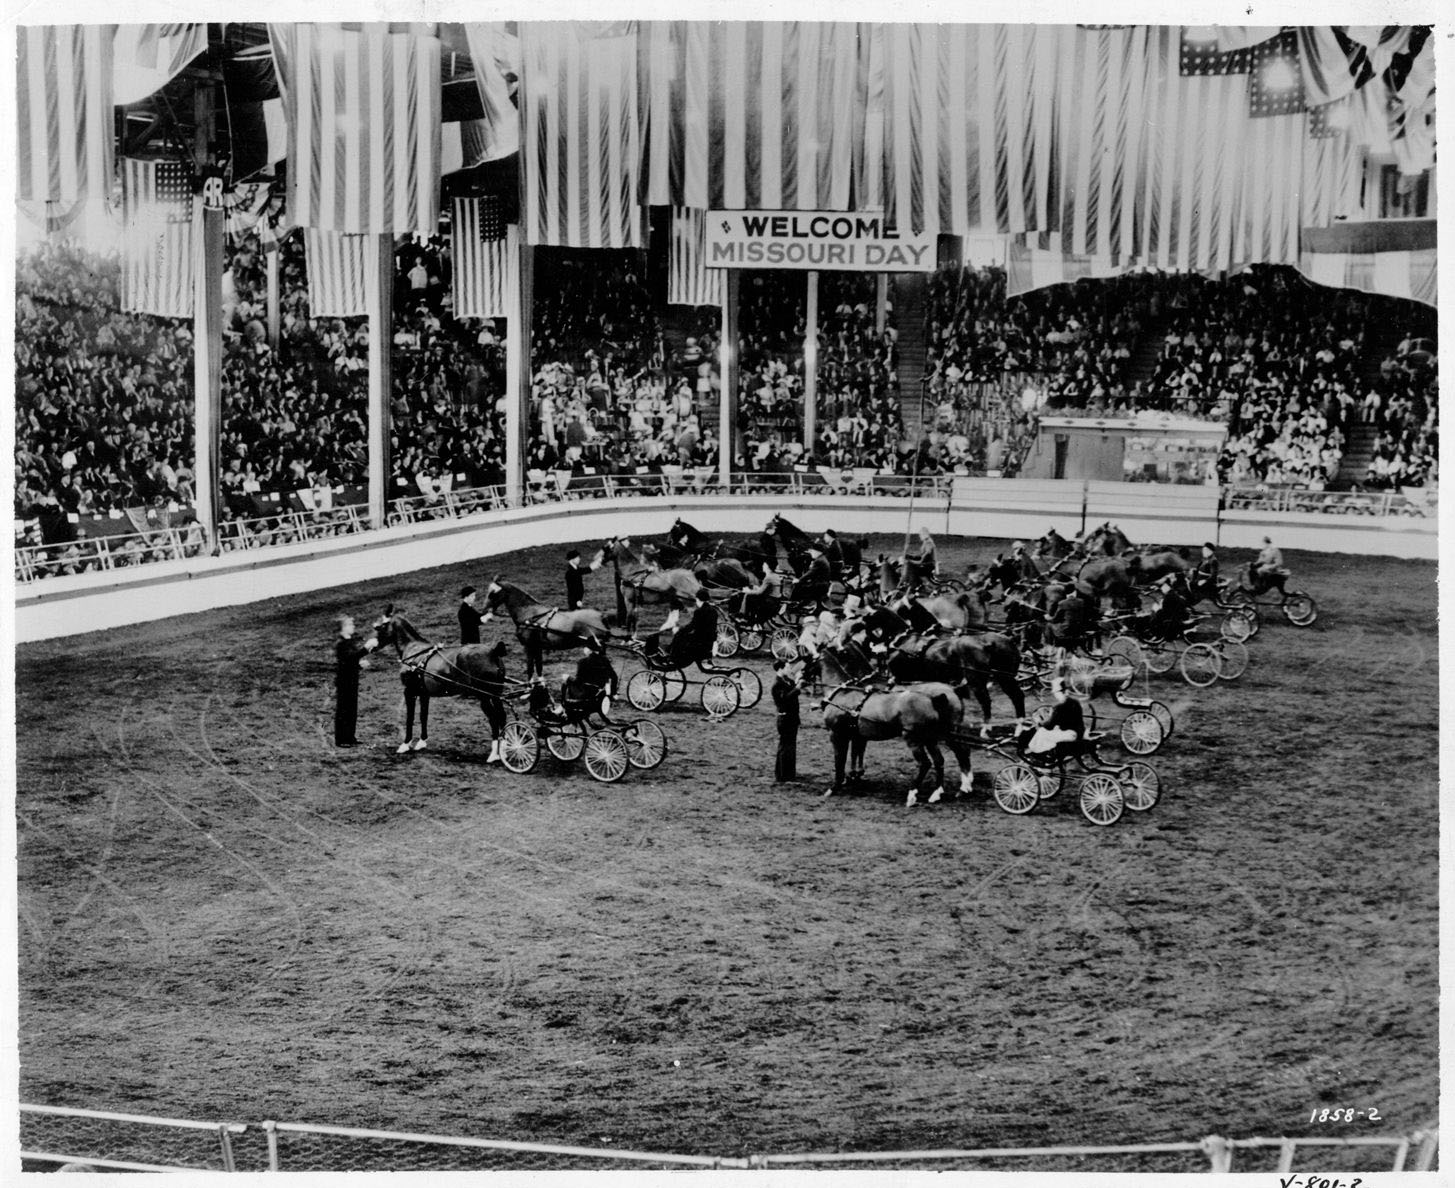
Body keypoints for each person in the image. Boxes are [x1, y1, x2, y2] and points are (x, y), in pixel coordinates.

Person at [334, 615, 377, 747]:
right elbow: (349, 658)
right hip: (344, 680)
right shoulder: (341, 644)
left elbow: (351, 660)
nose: (353, 627)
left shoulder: (348, 642)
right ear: (343, 628)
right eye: (350, 625)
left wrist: (359, 665)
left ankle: (349, 737)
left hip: (351, 678)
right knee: (344, 709)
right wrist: (366, 648)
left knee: (351, 708)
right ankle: (342, 739)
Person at [1022, 675, 1085, 758]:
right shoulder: (1074, 702)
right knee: (1046, 733)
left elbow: (1049, 726)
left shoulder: (1061, 706)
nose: (1055, 694)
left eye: (1055, 692)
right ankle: (1038, 751)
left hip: (1070, 735)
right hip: (1077, 732)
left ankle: (1034, 752)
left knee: (1042, 732)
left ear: (1062, 692)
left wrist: (1040, 723)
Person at [771, 659, 803, 782]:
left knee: (790, 747)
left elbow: (792, 687)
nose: (790, 669)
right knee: (785, 747)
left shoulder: (786, 681)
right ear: (780, 669)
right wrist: (798, 688)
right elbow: (785, 699)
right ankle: (783, 775)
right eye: (787, 667)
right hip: (786, 719)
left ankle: (788, 774)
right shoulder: (777, 684)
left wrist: (798, 681)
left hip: (791, 718)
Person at [899, 526, 937, 593]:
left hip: (928, 566)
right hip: (926, 564)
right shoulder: (926, 542)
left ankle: (914, 585)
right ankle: (913, 584)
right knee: (911, 565)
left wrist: (912, 561)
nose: (919, 536)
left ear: (923, 535)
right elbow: (921, 556)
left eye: (920, 534)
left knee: (911, 567)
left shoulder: (928, 543)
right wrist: (910, 556)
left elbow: (924, 557)